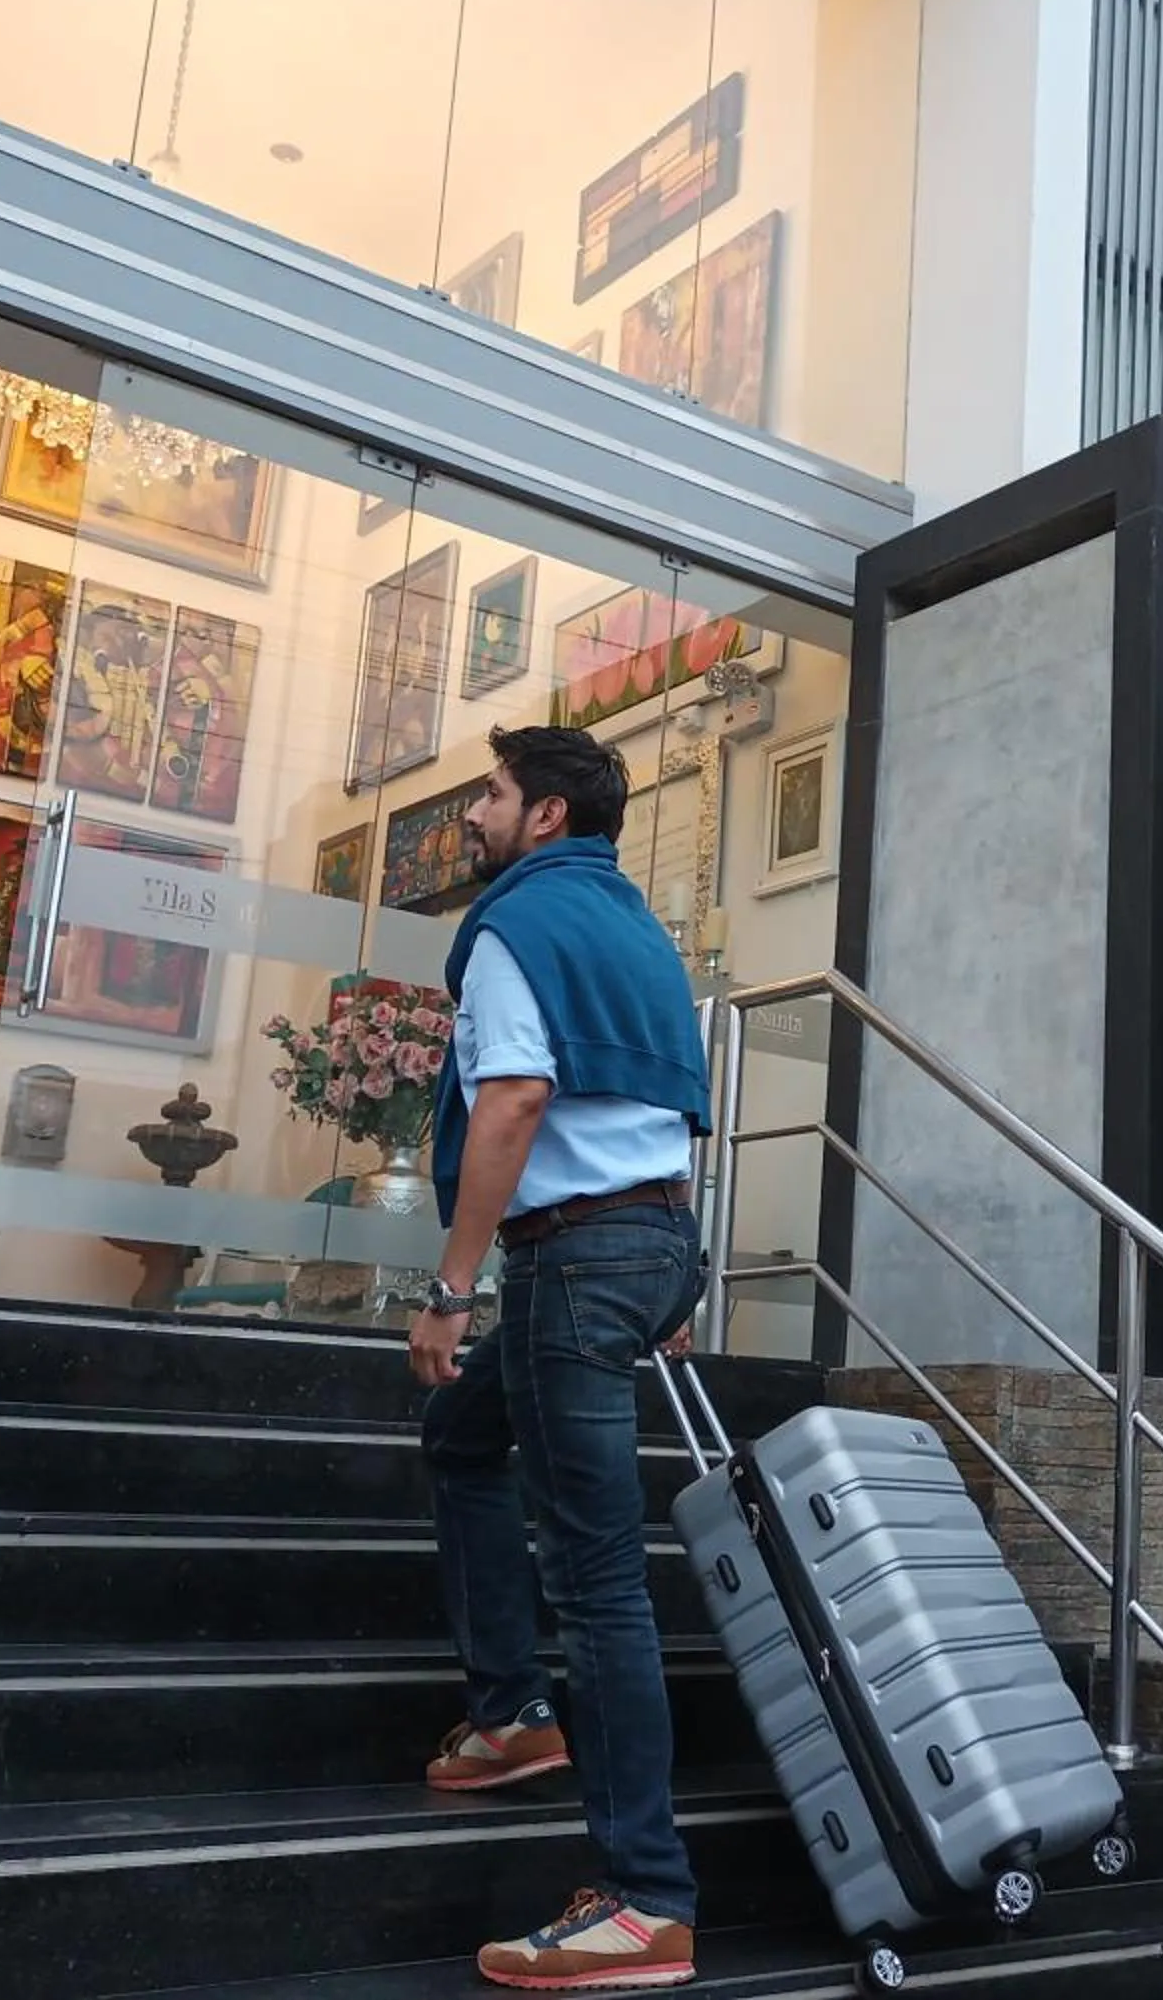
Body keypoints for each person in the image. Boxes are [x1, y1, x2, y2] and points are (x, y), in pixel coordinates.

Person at [413, 724, 711, 1993]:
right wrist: (668, 1276)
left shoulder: (514, 927)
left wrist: (449, 1286)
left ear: (541, 817)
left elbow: (517, 1099)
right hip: (652, 1242)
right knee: (463, 1437)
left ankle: (646, 1899)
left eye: (488, 793)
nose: (473, 813)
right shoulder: (638, 929)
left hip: (573, 1264)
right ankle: (507, 1716)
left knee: (597, 1586)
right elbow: (671, 1098)